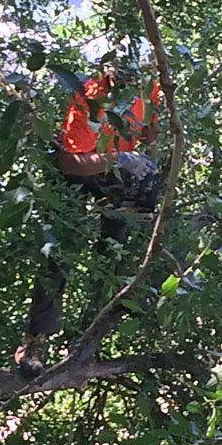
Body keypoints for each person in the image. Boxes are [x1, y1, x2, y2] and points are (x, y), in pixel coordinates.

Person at [15, 51, 161, 379]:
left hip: (117, 182)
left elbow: (151, 130)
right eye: (120, 82)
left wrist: (147, 148)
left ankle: (86, 335)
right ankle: (36, 340)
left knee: (115, 252)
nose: (127, 88)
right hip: (80, 176)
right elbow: (69, 163)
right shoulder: (88, 97)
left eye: (133, 82)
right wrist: (118, 159)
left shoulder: (149, 90)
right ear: (108, 76)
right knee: (60, 249)